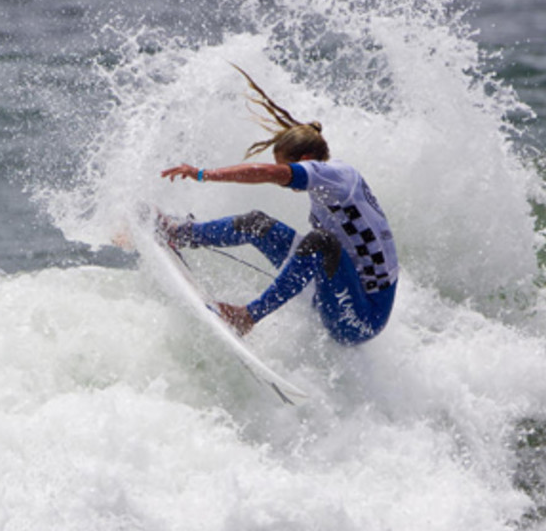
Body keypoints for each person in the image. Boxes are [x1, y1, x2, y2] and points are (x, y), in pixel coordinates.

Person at [159, 67, 397, 345]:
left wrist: (202, 174)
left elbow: (265, 173)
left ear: (306, 158)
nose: (281, 172)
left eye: (285, 165)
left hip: (361, 319)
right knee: (256, 223)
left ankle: (246, 317)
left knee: (321, 243)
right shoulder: (329, 182)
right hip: (331, 290)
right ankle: (179, 233)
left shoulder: (334, 176)